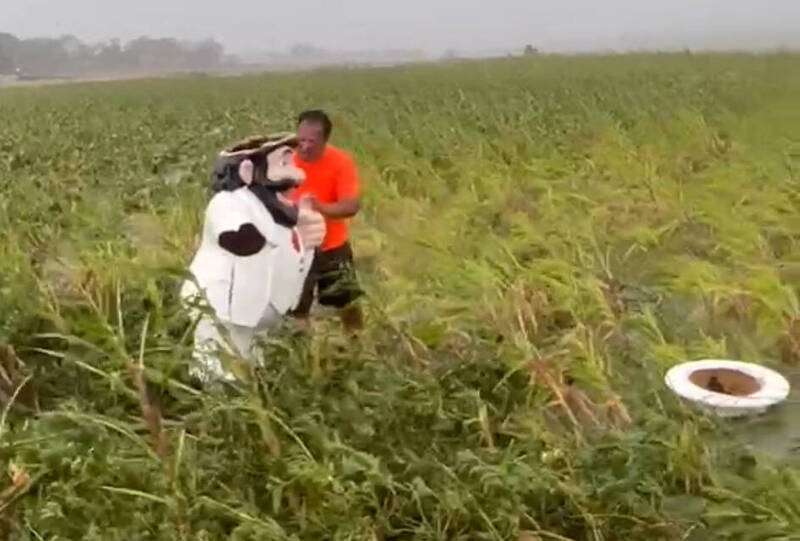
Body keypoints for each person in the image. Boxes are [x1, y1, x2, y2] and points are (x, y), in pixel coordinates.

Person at [288, 109, 364, 334]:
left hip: (333, 248)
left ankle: (358, 348)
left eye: (312, 141)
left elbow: (351, 206)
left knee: (348, 304)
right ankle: (304, 356)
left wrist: (321, 208)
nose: (304, 146)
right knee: (296, 310)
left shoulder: (340, 162)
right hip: (296, 251)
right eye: (300, 140)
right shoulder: (284, 162)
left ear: (325, 140)